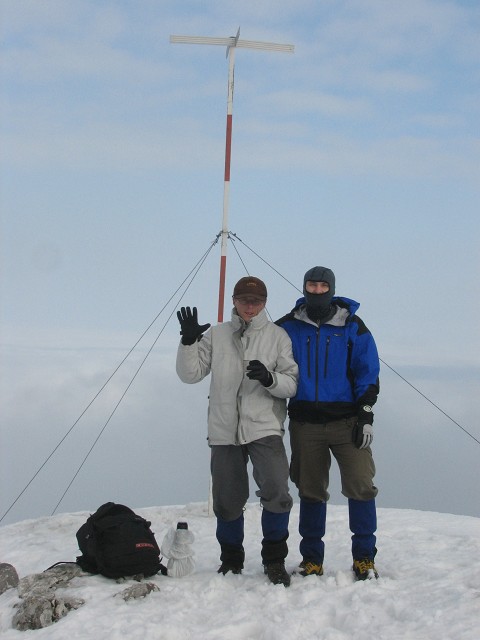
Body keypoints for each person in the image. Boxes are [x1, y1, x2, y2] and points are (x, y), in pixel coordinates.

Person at [176, 276, 298, 586]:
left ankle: (274, 560)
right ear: (234, 300)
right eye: (244, 300)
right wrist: (188, 342)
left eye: (256, 301)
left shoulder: (278, 336)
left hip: (264, 426)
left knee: (277, 491)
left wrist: (269, 378)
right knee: (227, 499)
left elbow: (291, 384)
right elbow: (190, 374)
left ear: (264, 303)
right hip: (224, 428)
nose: (250, 306)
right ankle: (231, 560)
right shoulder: (217, 335)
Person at [276, 266, 380, 580]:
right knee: (311, 491)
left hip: (347, 422)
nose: (317, 291)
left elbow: (367, 371)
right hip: (305, 424)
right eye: (312, 285)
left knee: (361, 486)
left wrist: (365, 414)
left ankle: (364, 558)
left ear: (331, 289)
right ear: (304, 287)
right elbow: (259, 346)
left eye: (323, 286)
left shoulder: (352, 325)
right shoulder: (288, 326)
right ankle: (312, 560)